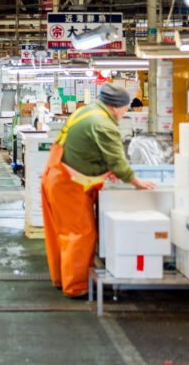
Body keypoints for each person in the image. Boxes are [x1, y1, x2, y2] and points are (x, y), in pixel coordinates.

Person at [41, 84, 157, 299]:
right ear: (116, 107)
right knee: (81, 234)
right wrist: (136, 182)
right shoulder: (104, 124)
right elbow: (117, 160)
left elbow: (92, 150)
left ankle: (62, 278)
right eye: (125, 109)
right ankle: (76, 287)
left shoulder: (89, 111)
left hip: (58, 177)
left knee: (63, 234)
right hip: (68, 184)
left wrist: (105, 170)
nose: (124, 114)